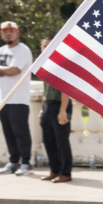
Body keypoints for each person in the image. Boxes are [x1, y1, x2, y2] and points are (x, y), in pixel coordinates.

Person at [0, 21, 33, 176]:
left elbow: (14, 70)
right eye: (5, 31)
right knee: (8, 132)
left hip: (18, 98)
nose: (8, 34)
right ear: (1, 34)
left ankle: (26, 163)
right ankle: (13, 161)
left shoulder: (23, 50)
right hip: (2, 98)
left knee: (20, 131)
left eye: (11, 31)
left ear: (17, 33)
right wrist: (3, 70)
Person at [37, 34, 73, 184]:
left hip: (60, 105)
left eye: (50, 45)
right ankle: (54, 170)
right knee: (48, 140)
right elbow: (44, 90)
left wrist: (63, 110)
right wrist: (42, 108)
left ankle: (66, 173)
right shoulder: (44, 64)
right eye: (44, 45)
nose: (46, 48)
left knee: (61, 141)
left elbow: (66, 89)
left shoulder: (62, 64)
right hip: (48, 106)